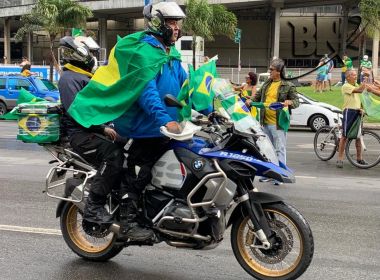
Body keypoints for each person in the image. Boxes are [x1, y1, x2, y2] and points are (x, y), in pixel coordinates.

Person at [112, 2, 186, 240]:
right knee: (138, 174)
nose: (176, 28)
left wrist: (212, 108)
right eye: (171, 23)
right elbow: (148, 92)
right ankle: (127, 224)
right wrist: (165, 120)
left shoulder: (171, 54)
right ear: (157, 23)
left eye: (178, 23)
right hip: (147, 129)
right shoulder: (144, 52)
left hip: (171, 131)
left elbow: (188, 86)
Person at [57, 36, 134, 235]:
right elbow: (76, 110)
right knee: (113, 155)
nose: (92, 58)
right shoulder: (68, 79)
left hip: (94, 130)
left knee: (135, 148)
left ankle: (127, 201)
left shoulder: (85, 77)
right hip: (82, 135)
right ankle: (94, 207)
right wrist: (102, 128)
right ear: (79, 54)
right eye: (89, 54)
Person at [253, 58, 299, 184]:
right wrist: (249, 100)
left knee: (279, 149)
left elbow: (296, 102)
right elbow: (257, 97)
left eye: (271, 70)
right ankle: (269, 173)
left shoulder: (288, 85)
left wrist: (289, 102)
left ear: (279, 71)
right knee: (268, 150)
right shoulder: (267, 83)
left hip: (278, 123)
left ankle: (280, 175)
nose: (269, 72)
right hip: (265, 122)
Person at [336, 69, 367, 168]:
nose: (355, 76)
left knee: (358, 137)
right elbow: (360, 90)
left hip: (358, 111)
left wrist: (362, 108)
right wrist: (365, 79)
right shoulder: (346, 86)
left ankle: (359, 158)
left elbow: (360, 98)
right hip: (349, 111)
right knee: (345, 136)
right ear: (347, 77)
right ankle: (340, 159)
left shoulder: (355, 85)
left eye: (355, 75)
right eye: (353, 75)